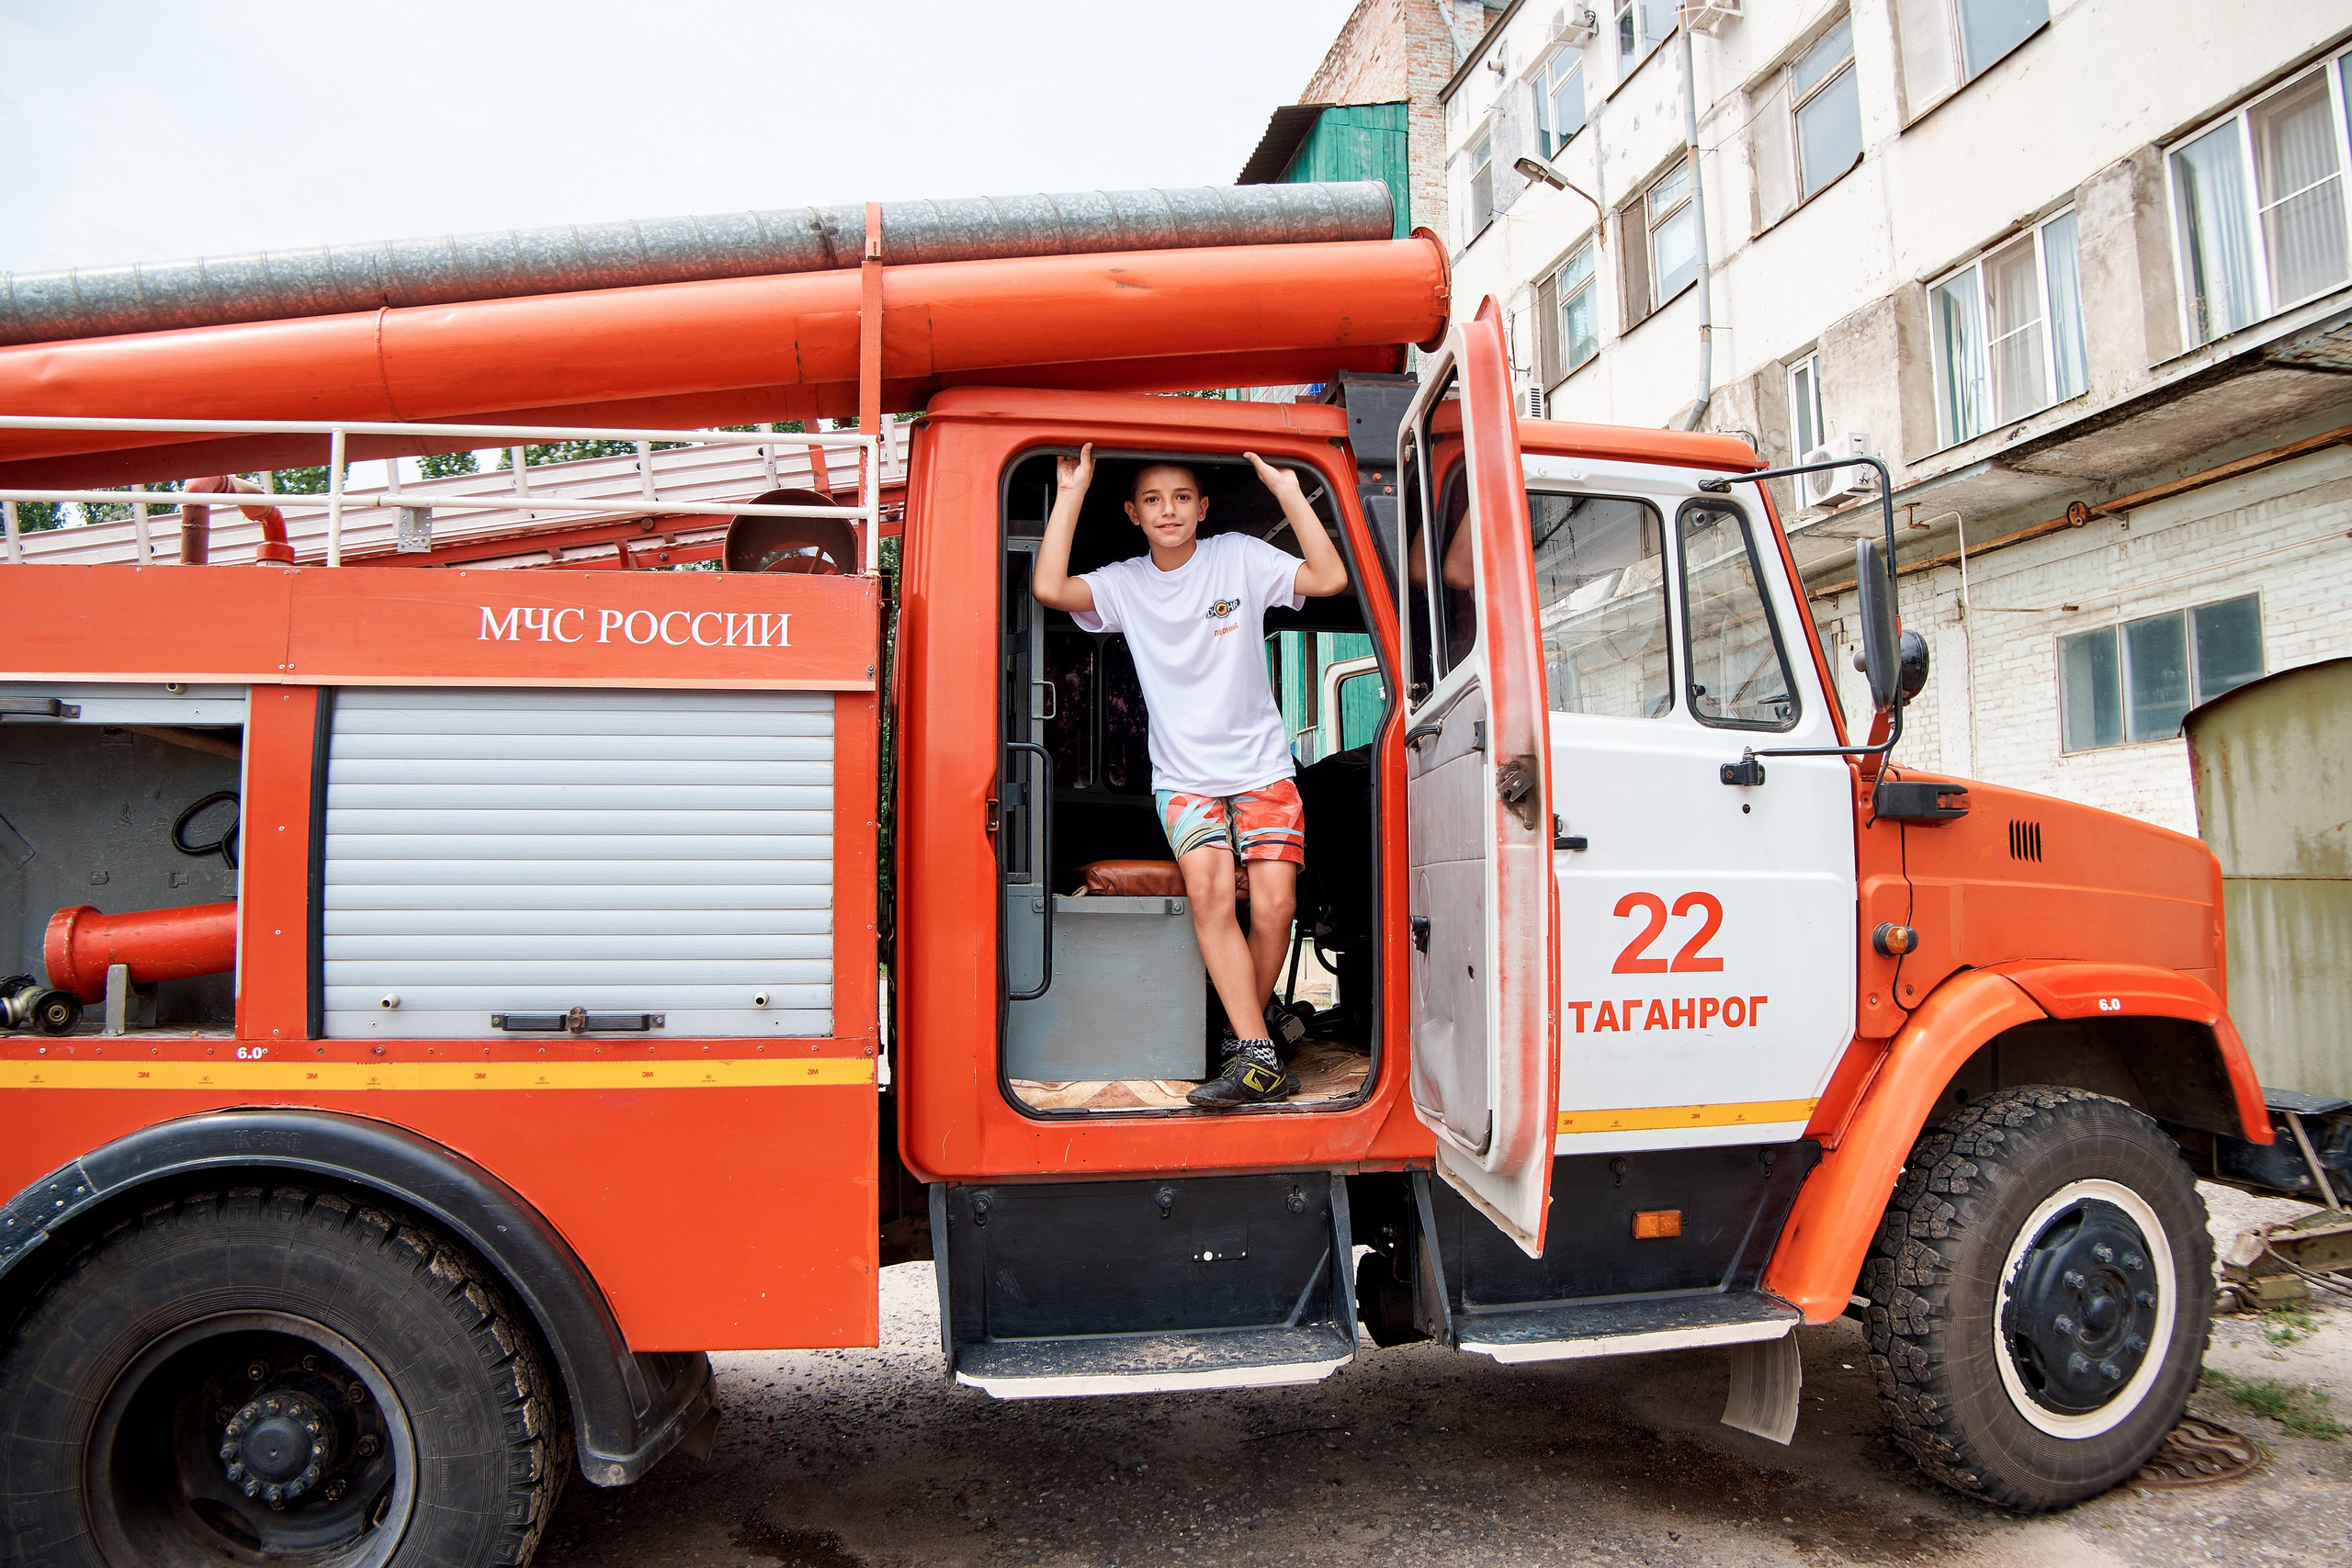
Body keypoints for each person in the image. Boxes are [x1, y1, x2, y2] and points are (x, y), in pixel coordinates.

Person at [1031, 446, 1350, 1108]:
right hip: (1183, 776)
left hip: (1262, 764)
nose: (1167, 510)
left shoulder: (1238, 555)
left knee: (1275, 909)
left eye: (1180, 497)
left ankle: (1240, 1046)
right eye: (1152, 500)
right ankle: (1260, 1053)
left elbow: (1329, 578)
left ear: (1202, 508)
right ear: (1133, 514)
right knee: (1209, 897)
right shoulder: (1126, 582)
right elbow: (1050, 588)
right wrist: (1071, 491)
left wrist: (1291, 488)